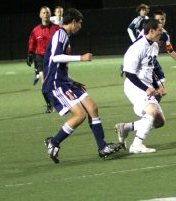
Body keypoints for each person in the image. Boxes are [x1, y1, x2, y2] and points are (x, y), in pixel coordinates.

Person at [42, 8, 124, 163]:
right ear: (73, 22)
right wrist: (81, 58)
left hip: (65, 81)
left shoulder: (63, 35)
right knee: (80, 115)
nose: (80, 27)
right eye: (79, 23)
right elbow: (56, 58)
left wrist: (72, 80)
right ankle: (54, 142)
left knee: (92, 107)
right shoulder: (60, 34)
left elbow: (58, 66)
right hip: (55, 84)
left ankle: (102, 147)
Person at [115, 18, 166, 154]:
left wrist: (158, 85)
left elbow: (151, 68)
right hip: (134, 86)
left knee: (159, 121)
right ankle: (136, 145)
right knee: (152, 112)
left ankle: (125, 127)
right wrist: (146, 88)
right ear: (151, 31)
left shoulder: (154, 45)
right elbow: (129, 74)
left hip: (146, 85)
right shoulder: (137, 47)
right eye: (159, 30)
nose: (162, 32)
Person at [27, 6, 60, 112]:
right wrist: (30, 54)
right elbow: (32, 42)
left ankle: (57, 101)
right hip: (40, 57)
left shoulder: (56, 28)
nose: (45, 14)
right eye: (43, 13)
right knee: (44, 81)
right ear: (40, 15)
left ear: (50, 15)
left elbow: (62, 41)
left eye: (47, 12)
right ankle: (49, 104)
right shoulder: (36, 30)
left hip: (53, 57)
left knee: (55, 81)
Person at [151, 9, 176, 86]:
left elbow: (170, 50)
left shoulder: (165, 35)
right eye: (157, 19)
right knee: (157, 87)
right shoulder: (148, 31)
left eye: (162, 19)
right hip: (144, 61)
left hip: (153, 61)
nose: (160, 21)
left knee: (161, 84)